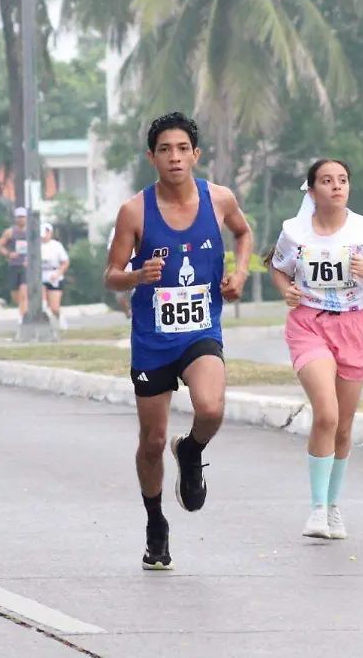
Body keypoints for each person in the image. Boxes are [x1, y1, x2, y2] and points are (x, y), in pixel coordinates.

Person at [104, 112, 253, 570]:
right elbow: (111, 277)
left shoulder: (219, 199)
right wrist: (135, 275)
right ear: (152, 157)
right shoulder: (134, 211)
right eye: (164, 150)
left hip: (200, 329)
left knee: (211, 408)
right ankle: (155, 523)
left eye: (182, 149)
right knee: (151, 441)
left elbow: (243, 234)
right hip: (152, 341)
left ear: (195, 154)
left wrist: (240, 273)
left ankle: (191, 451)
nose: (174, 157)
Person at [268, 159, 363, 539]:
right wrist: (286, 290)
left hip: (353, 326)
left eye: (342, 180)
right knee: (325, 413)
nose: (336, 187)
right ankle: (316, 508)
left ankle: (333, 505)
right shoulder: (294, 232)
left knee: (343, 424)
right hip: (308, 324)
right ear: (312, 191)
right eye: (327, 181)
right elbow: (278, 267)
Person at [0, 207, 30, 319]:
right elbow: (0, 246)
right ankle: (23, 310)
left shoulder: (31, 231)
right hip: (14, 265)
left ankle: (23, 318)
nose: (21, 219)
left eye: (23, 217)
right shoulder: (10, 232)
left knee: (24, 293)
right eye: (19, 217)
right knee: (15, 296)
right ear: (15, 218)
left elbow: (38, 247)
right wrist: (9, 254)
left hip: (26, 266)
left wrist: (32, 259)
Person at [40, 222, 70, 329]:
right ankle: (46, 324)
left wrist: (58, 274)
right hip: (41, 275)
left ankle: (60, 320)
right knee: (42, 305)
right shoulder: (36, 245)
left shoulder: (56, 246)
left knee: (55, 308)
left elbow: (65, 261)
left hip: (54, 276)